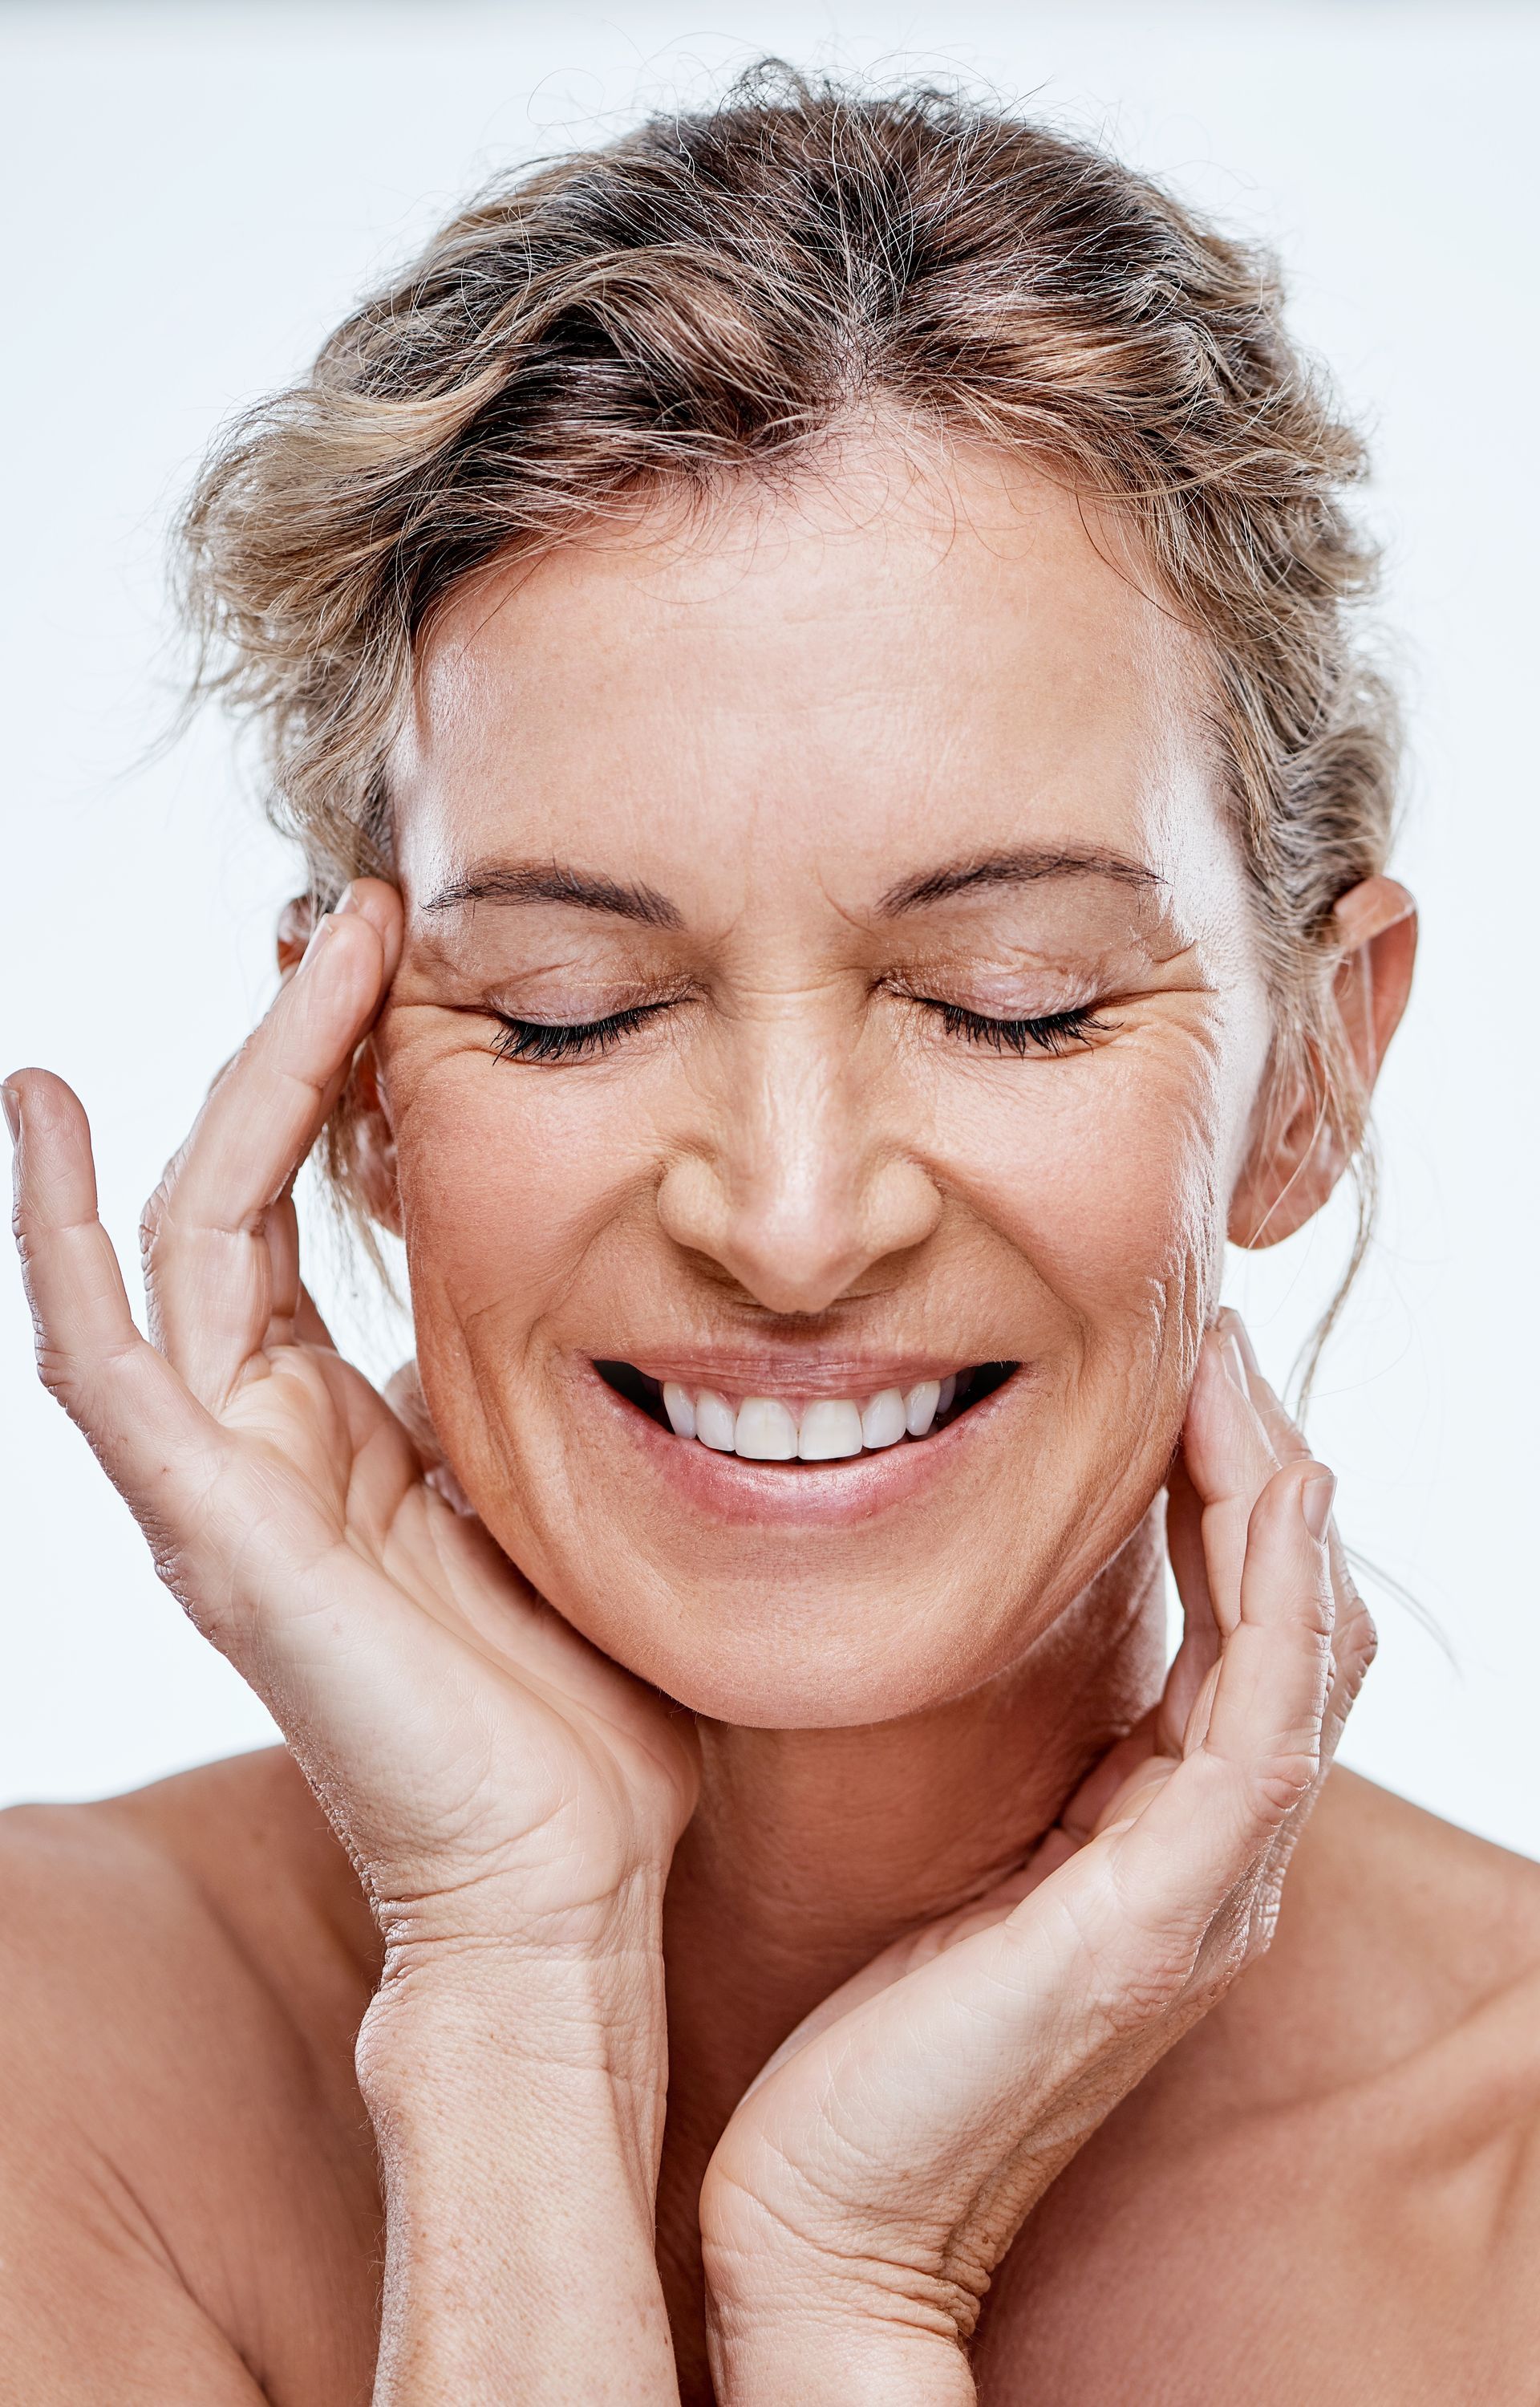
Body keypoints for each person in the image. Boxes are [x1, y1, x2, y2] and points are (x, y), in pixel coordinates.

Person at [4, 70, 1537, 2406]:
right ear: (350, 1103)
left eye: (1008, 1004)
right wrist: (508, 2006)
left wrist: (845, 2287)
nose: (795, 1222)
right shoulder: (52, 2073)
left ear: (1314, 1069)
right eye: (571, 1010)